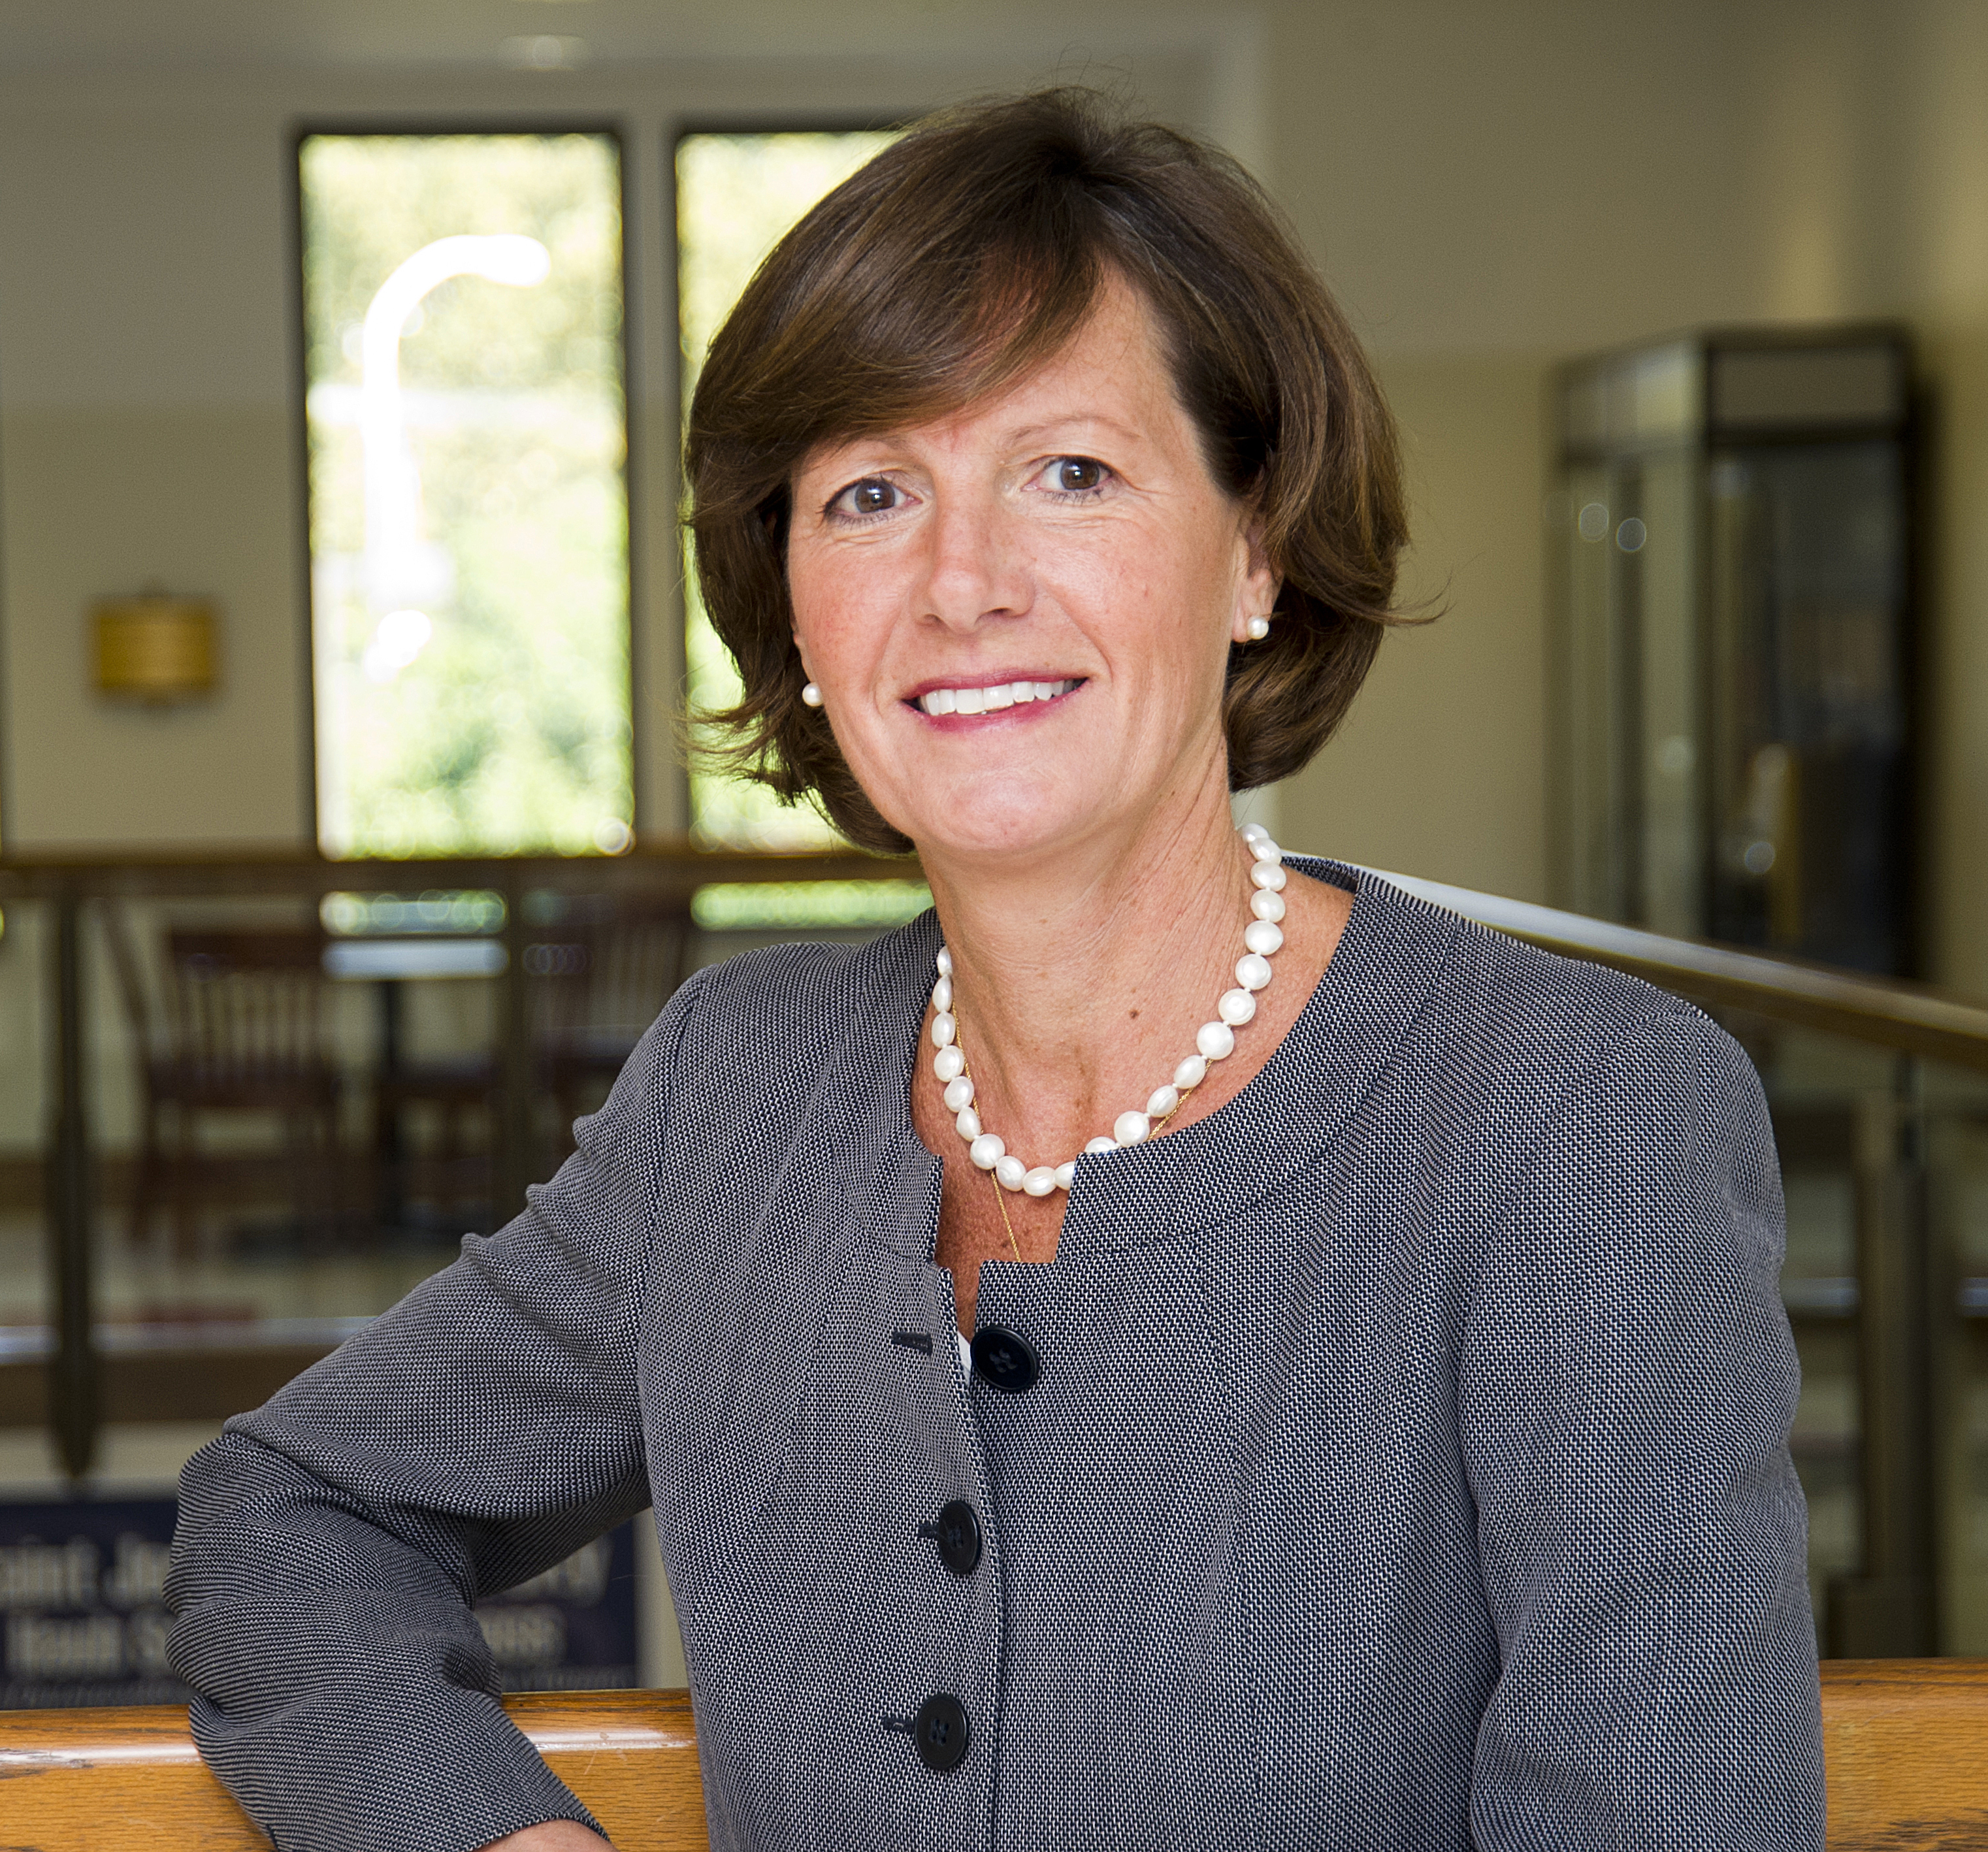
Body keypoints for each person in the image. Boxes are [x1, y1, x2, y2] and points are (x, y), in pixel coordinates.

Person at [169, 90, 1822, 1849]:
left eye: (1072, 472)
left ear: (1253, 548)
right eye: (872, 493)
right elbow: (288, 1511)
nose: (963, 585)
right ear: (793, 609)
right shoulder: (736, 1083)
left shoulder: (1574, 1110)